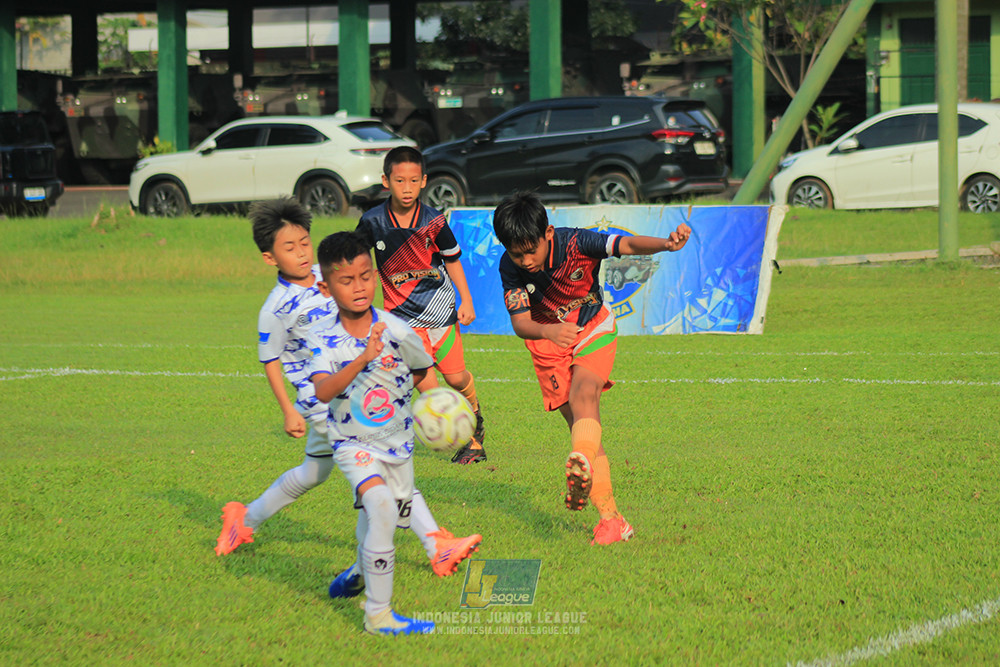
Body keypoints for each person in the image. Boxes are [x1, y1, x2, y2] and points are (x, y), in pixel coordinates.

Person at [215, 198, 481, 581]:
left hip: (358, 391)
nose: (301, 252)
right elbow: (269, 359)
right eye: (289, 248)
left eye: (304, 242)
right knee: (388, 468)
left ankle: (245, 518)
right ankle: (436, 545)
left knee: (312, 473)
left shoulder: (330, 281)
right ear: (269, 258)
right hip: (324, 404)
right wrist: (289, 410)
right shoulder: (275, 308)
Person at [490, 192, 691, 545]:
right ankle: (611, 518)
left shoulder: (576, 242)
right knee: (582, 426)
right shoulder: (510, 267)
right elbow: (520, 322)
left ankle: (582, 461)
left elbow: (625, 244)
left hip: (591, 326)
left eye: (529, 251)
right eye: (515, 253)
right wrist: (549, 330)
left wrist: (666, 245)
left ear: (548, 234)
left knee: (585, 396)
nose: (524, 260)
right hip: (546, 342)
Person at [306, 230, 465, 635]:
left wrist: (442, 413)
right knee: (379, 505)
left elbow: (422, 371)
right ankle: (378, 615)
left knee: (388, 513)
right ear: (326, 286)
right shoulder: (323, 338)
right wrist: (362, 359)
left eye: (365, 276)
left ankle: (359, 571)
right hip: (351, 442)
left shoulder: (397, 328)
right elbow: (324, 391)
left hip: (398, 444)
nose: (358, 287)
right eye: (346, 280)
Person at [356, 146, 487, 464]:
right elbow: (357, 261)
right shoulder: (372, 222)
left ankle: (475, 415)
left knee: (455, 379)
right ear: (386, 181)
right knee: (427, 385)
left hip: (441, 314)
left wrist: (466, 300)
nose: (406, 188)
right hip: (402, 322)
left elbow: (453, 260)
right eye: (400, 181)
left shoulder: (434, 221)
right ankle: (471, 443)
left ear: (424, 181)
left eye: (413, 181)